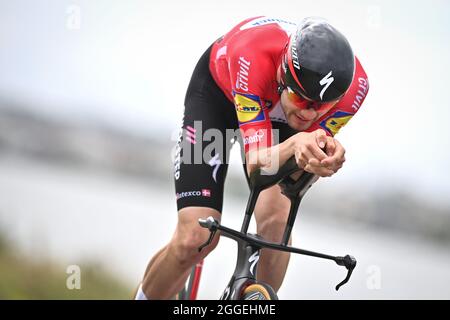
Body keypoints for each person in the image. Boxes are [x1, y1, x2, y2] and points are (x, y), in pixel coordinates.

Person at [135, 16, 369, 299]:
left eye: (322, 106)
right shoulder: (251, 53)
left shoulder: (354, 89)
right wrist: (299, 144)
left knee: (276, 226)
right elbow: (259, 163)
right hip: (218, 100)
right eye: (302, 99)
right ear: (283, 77)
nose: (309, 113)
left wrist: (321, 160)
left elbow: (296, 173)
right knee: (195, 239)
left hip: (282, 121)